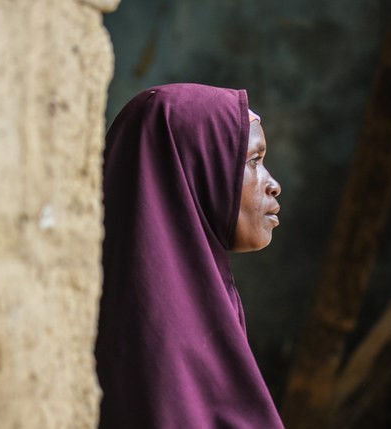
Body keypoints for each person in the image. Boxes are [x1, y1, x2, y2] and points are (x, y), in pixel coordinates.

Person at [95, 83, 284, 428]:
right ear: (196, 169)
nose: (273, 184)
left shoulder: (201, 297)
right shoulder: (164, 329)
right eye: (254, 160)